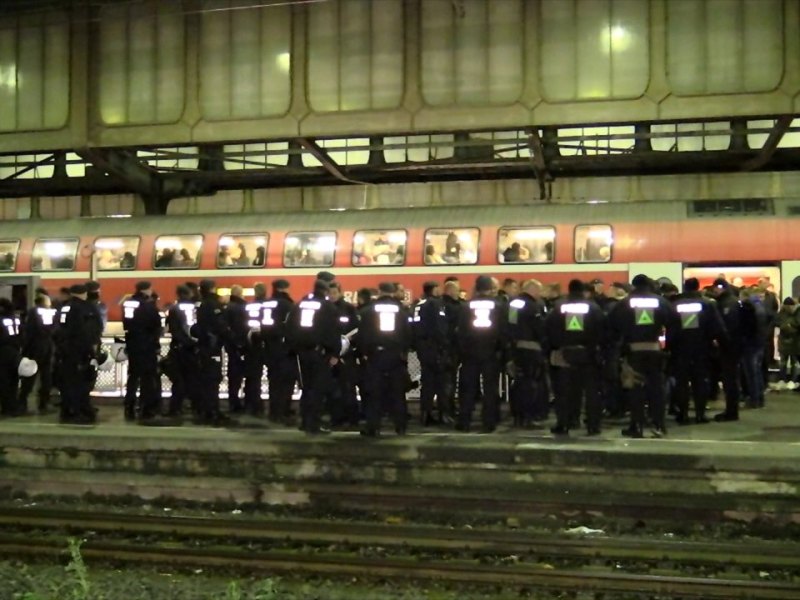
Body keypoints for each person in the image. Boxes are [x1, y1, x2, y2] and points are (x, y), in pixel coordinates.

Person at [609, 274, 677, 438]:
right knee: (656, 389)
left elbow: (611, 327)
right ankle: (658, 425)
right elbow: (674, 323)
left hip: (633, 353)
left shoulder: (624, 303)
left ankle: (636, 425)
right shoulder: (661, 302)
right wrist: (667, 347)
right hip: (654, 351)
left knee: (635, 389)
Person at [546, 279, 606, 436]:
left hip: (565, 354)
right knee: (591, 392)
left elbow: (549, 329)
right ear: (583, 291)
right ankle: (593, 426)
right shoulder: (593, 307)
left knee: (565, 392)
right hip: (588, 355)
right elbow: (602, 330)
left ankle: (565, 424)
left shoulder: (559, 307)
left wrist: (558, 346)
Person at [355, 282, 412, 436]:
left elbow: (362, 335)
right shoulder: (402, 310)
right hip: (395, 355)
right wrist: (403, 352)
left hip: (376, 355)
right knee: (397, 392)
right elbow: (408, 333)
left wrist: (364, 353)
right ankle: (400, 426)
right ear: (393, 292)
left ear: (379, 292)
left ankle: (373, 426)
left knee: (374, 392)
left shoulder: (368, 310)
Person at [668, 278, 727, 424]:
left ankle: (683, 414)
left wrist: (669, 346)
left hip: (680, 350)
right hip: (702, 349)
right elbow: (717, 328)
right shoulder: (707, 304)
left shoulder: (674, 305)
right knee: (700, 382)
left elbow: (669, 328)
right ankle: (700, 414)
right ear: (698, 287)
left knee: (681, 383)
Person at [287, 279, 341, 434]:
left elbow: (290, 326)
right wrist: (334, 353)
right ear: (325, 291)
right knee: (317, 389)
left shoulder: (300, 305)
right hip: (319, 353)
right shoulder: (328, 307)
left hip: (301, 353)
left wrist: (293, 349)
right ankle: (314, 425)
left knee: (306, 388)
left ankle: (304, 421)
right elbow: (333, 332)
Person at [456, 275, 508, 433]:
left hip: (471, 352)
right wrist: (502, 351)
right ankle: (489, 421)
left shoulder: (466, 306)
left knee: (468, 388)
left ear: (476, 288)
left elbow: (461, 331)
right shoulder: (499, 305)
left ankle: (464, 421)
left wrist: (463, 351)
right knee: (490, 388)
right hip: (491, 352)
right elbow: (503, 331)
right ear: (490, 288)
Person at [54, 284, 102, 424]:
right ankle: (80, 410)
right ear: (84, 293)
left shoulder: (65, 306)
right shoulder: (86, 308)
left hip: (65, 350)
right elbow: (89, 330)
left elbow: (59, 329)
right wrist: (91, 351)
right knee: (82, 382)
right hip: (80, 351)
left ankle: (68, 409)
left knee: (68, 381)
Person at [507, 279, 547, 428]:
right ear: (533, 290)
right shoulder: (533, 306)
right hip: (531, 348)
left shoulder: (513, 304)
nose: (540, 294)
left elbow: (510, 324)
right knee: (531, 384)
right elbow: (539, 328)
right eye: (539, 291)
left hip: (516, 348)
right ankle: (528, 417)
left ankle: (517, 415)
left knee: (518, 382)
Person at [122, 281, 162, 422]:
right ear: (146, 290)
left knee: (133, 376)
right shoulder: (148, 306)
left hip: (132, 344)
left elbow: (126, 323)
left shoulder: (129, 303)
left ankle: (129, 406)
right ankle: (145, 407)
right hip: (146, 345)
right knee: (147, 378)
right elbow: (156, 326)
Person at [194, 279, 231, 425]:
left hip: (204, 346)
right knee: (213, 379)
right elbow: (220, 325)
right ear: (212, 288)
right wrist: (229, 336)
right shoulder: (213, 304)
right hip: (212, 347)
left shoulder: (201, 304)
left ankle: (207, 409)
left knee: (207, 379)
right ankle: (212, 410)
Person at [412, 281, 448, 426]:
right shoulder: (435, 304)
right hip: (434, 347)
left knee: (427, 382)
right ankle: (442, 414)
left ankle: (425, 414)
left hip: (422, 347)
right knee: (440, 383)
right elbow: (440, 327)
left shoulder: (418, 304)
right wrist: (444, 345)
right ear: (434, 289)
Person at [261, 279, 296, 422]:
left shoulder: (266, 303)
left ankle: (273, 410)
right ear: (284, 289)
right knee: (285, 382)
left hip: (269, 347)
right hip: (283, 348)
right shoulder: (287, 304)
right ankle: (282, 411)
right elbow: (291, 326)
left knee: (273, 380)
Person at [327, 282, 359, 427]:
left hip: (346, 354)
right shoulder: (326, 309)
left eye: (334, 293)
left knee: (347, 387)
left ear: (340, 292)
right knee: (333, 388)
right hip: (330, 354)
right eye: (330, 293)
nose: (332, 296)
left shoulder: (349, 309)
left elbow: (357, 329)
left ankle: (351, 417)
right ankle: (336, 417)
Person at [18, 293, 57, 414]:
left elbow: (28, 332)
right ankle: (43, 404)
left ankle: (22, 404)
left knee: (29, 377)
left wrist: (24, 350)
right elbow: (56, 329)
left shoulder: (32, 312)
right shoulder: (53, 312)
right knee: (46, 378)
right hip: (48, 348)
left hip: (34, 349)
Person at [164, 284, 198, 417]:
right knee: (193, 378)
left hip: (179, 348)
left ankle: (175, 407)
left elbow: (172, 328)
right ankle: (195, 406)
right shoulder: (196, 307)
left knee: (178, 380)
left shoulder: (174, 308)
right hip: (193, 347)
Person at [224, 285, 249, 413]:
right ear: (240, 294)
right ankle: (240, 403)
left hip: (231, 347)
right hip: (241, 346)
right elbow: (243, 327)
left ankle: (233, 401)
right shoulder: (242, 307)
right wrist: (241, 344)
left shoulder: (228, 307)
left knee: (233, 376)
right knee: (242, 375)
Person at [0, 298, 22, 416]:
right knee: (14, 379)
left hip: (3, 351)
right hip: (15, 351)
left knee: (4, 380)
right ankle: (13, 405)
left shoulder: (1, 319)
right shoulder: (16, 319)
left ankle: (6, 407)